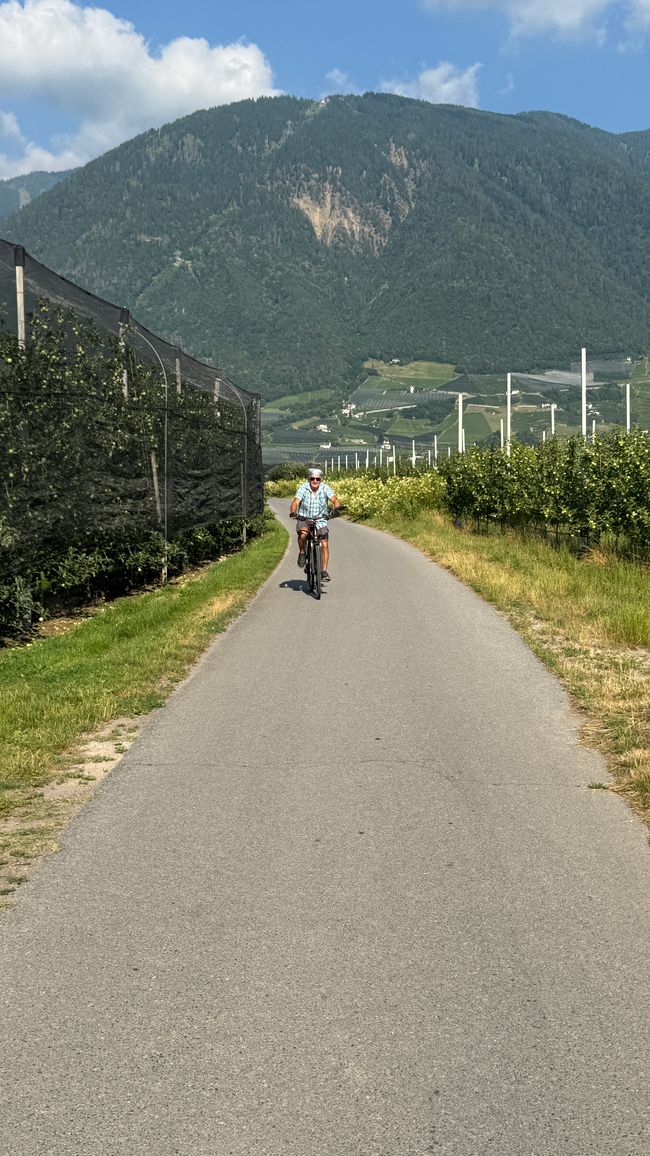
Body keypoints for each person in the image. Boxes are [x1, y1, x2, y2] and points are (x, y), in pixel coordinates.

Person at [290, 467, 342, 582]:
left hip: (320, 519)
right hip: (305, 517)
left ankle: (323, 571)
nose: (315, 481)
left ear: (320, 480)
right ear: (309, 479)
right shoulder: (303, 488)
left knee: (324, 543)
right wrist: (293, 512)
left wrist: (337, 508)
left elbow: (335, 500)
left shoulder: (325, 488)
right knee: (303, 534)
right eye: (312, 479)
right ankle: (302, 552)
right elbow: (295, 502)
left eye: (317, 479)